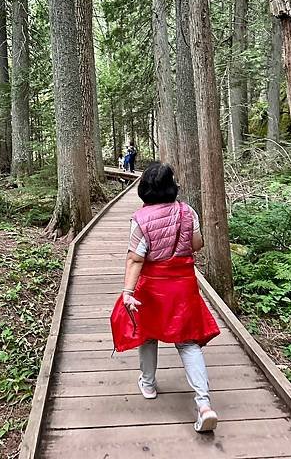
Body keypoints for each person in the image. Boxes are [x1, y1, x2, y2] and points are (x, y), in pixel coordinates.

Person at [110, 162, 220, 433]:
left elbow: (136, 258)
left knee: (147, 334)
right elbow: (197, 245)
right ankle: (204, 404)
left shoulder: (140, 219)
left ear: (145, 188)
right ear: (172, 186)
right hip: (182, 285)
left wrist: (127, 293)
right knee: (187, 343)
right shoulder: (187, 211)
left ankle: (148, 384)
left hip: (152, 287)